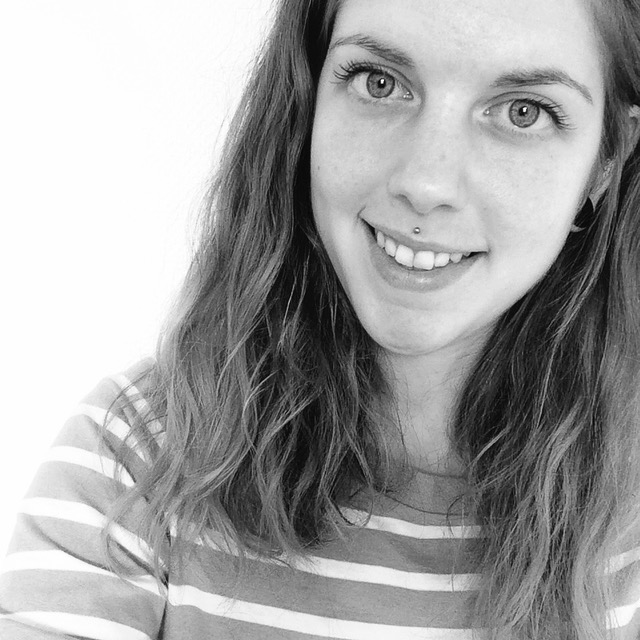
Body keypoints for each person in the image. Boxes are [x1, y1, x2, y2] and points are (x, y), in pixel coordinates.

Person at [2, 0, 640, 637]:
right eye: (379, 82)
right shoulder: (136, 457)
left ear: (606, 158)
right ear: (306, 104)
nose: (426, 184)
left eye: (524, 112)